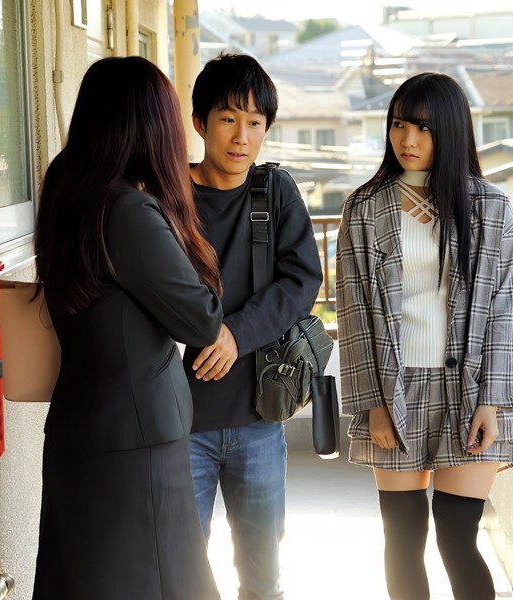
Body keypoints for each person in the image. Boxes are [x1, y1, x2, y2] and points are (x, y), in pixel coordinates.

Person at [31, 56, 224, 600]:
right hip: (138, 443)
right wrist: (179, 217)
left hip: (82, 427)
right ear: (148, 126)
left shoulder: (66, 190)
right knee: (165, 584)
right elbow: (202, 318)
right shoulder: (128, 210)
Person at [336, 72, 513, 600]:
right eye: (399, 125)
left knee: (457, 538)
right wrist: (373, 404)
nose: (408, 139)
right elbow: (352, 314)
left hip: (470, 391)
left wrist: (492, 402)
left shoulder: (491, 208)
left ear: (451, 131)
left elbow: (507, 310)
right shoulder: (365, 207)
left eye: (423, 127)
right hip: (394, 389)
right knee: (403, 539)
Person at [183, 52, 323, 600]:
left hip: (259, 418)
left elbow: (302, 280)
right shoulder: (168, 197)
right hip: (180, 422)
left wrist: (235, 334)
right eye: (228, 119)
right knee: (181, 576)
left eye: (255, 122)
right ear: (200, 123)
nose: (242, 137)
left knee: (262, 580)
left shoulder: (274, 191)